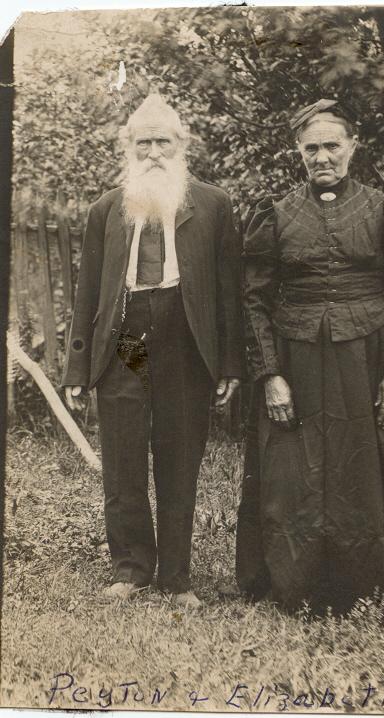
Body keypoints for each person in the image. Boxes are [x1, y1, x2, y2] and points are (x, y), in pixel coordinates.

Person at [236, 99, 384, 615]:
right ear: (298, 151)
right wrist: (270, 375)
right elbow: (254, 299)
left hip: (370, 360)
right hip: (297, 362)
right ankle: (300, 585)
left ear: (353, 147)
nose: (322, 157)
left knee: (378, 468)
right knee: (297, 472)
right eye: (311, 148)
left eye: (332, 146)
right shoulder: (277, 214)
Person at [62, 94, 243, 607]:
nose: (154, 153)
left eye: (164, 141)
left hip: (183, 337)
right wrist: (78, 365)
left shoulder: (213, 205)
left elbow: (229, 292)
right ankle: (131, 568)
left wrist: (230, 362)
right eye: (144, 143)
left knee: (179, 455)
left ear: (181, 144)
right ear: (129, 146)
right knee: (123, 457)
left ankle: (176, 576)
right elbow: (87, 292)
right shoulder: (106, 209)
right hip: (126, 340)